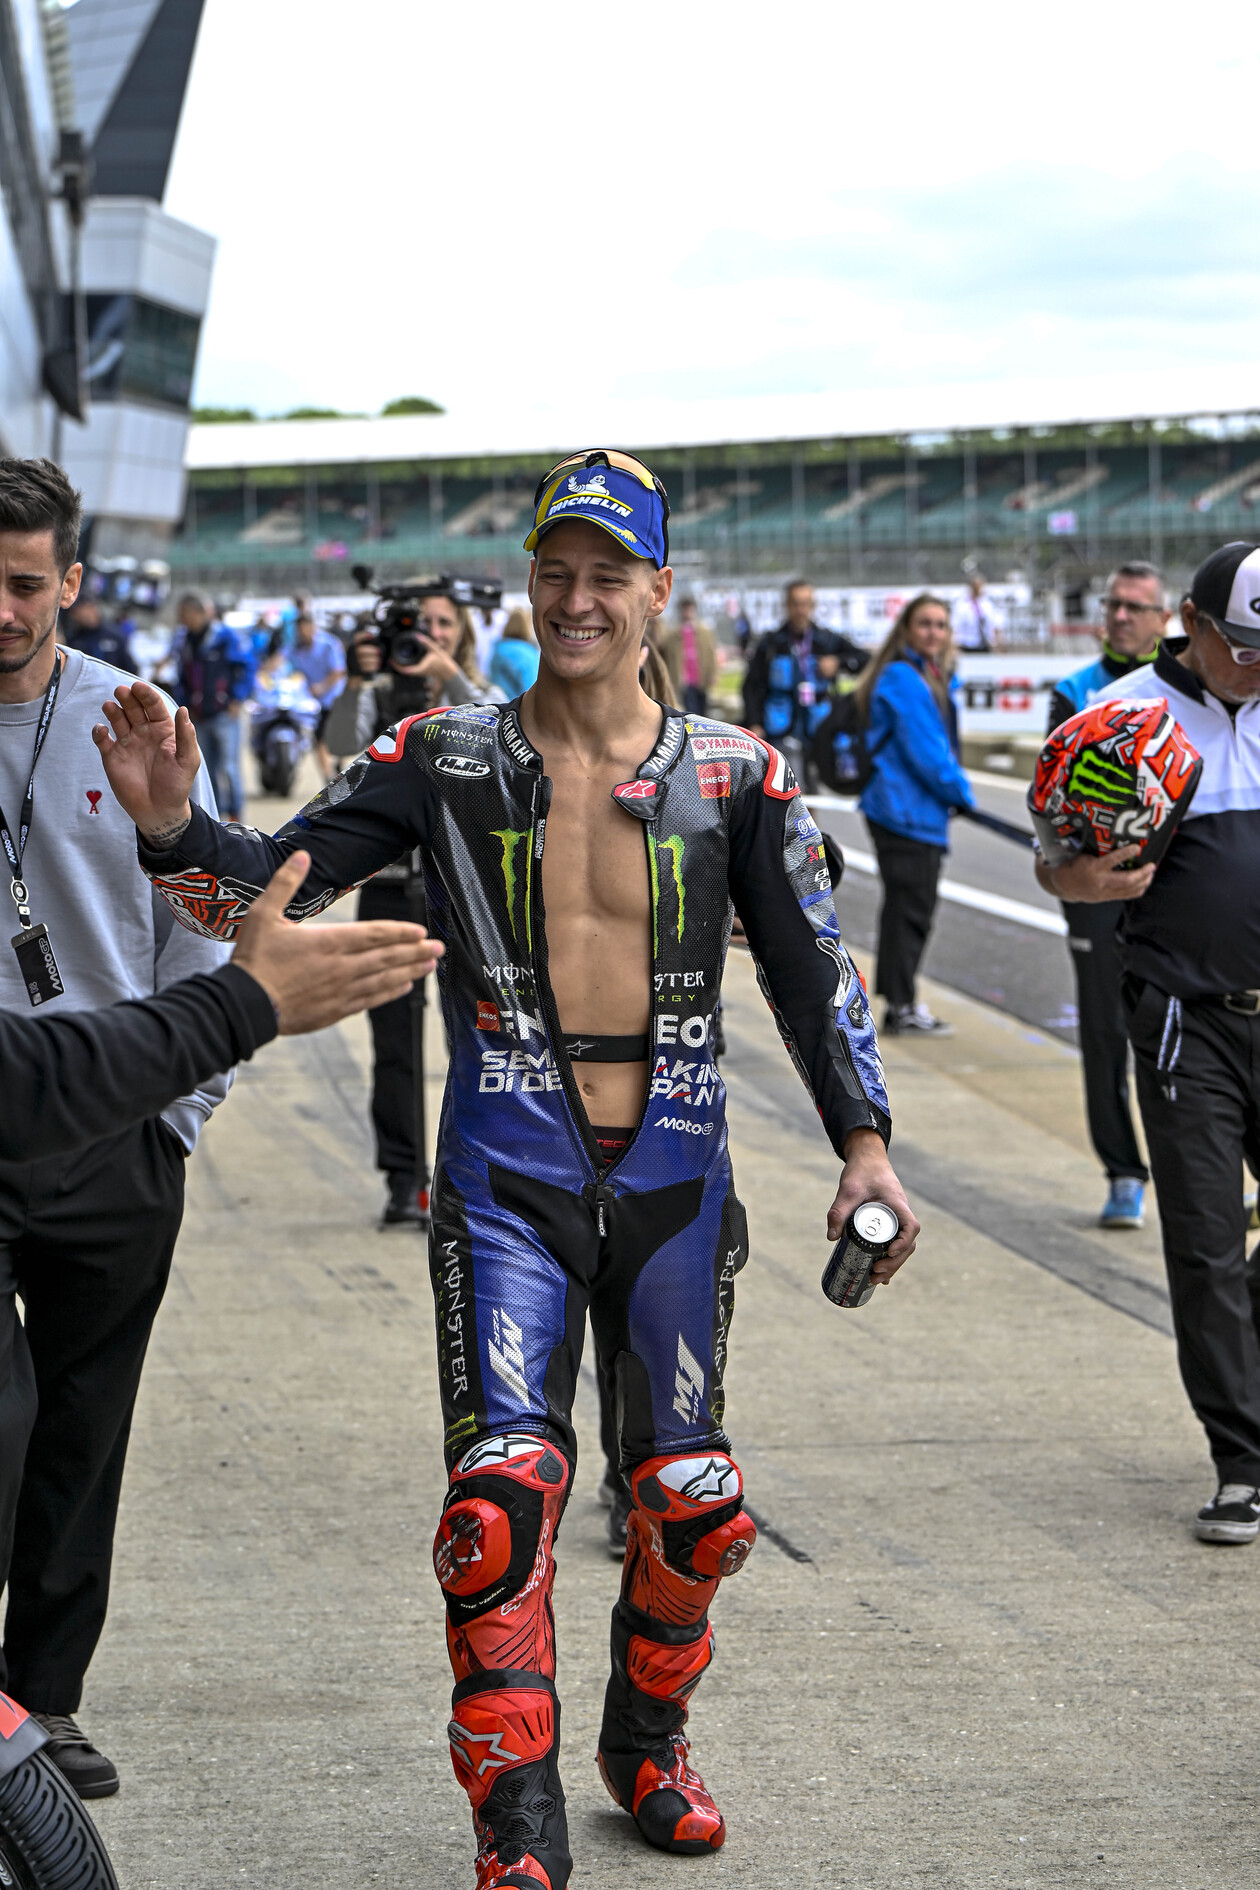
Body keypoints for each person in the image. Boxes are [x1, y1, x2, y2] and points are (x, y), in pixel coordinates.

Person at [94, 444, 918, 1889]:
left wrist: (866, 1147)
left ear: (660, 591)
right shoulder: (441, 758)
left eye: (608, 575)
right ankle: (515, 1816)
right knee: (500, 1500)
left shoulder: (739, 773)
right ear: (528, 585)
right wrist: (170, 826)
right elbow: (258, 895)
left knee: (695, 1499)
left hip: (676, 1174)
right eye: (556, 572)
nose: (578, 599)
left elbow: (810, 966)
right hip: (503, 1175)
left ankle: (646, 1741)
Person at [0, 460, 233, 1799]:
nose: (3, 608)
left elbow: (207, 925)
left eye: (25, 582)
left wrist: (177, 1118)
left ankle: (43, 1703)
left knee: (85, 1431)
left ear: (72, 582)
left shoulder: (135, 720)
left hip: (115, 1128)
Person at [1035, 541, 1260, 1547]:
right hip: (1185, 1019)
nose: (1257, 668)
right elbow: (1056, 860)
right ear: (1192, 623)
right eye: (1244, 647)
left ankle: (1246, 1372)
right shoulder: (1120, 716)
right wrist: (1079, 881)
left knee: (1231, 1271)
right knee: (1206, 1245)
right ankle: (1243, 1461)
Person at [345, 591, 504, 1229]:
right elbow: (338, 743)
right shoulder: (378, 691)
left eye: (442, 624)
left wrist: (449, 676)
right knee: (395, 1041)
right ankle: (405, 1178)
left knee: (488, 1038)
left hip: (470, 890)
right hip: (389, 884)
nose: (429, 636)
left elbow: (503, 743)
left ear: (460, 632)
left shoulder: (479, 694)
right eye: (419, 627)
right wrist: (357, 682)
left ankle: (487, 1176)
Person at [1045, 562, 1170, 1230]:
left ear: (1165, 619)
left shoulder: (1185, 686)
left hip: (1173, 889)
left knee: (1184, 1028)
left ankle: (1194, 1163)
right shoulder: (1075, 690)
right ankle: (1123, 1171)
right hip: (1094, 888)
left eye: (1134, 607)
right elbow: (1054, 795)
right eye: (1113, 605)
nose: (1120, 616)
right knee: (1103, 1030)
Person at [854, 592, 975, 1036]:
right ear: (906, 628)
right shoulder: (904, 678)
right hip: (904, 812)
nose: (933, 632)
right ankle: (901, 1006)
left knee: (903, 909)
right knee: (911, 912)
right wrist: (962, 793)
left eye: (941, 625)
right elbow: (927, 752)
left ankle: (899, 1003)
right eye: (924, 623)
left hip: (906, 809)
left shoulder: (922, 674)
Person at [742, 578, 866, 788]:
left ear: (813, 606)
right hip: (781, 732)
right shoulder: (771, 643)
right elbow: (751, 686)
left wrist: (838, 662)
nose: (801, 610)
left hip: (820, 729)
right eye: (795, 604)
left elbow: (865, 660)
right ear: (787, 605)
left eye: (805, 604)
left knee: (818, 791)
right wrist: (755, 722)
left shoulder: (827, 640)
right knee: (790, 792)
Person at [167, 590, 253, 821]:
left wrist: (237, 699)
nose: (181, 619)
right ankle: (216, 821)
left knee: (229, 769)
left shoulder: (225, 637)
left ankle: (237, 819)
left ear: (198, 612)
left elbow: (247, 667)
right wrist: (184, 706)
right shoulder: (184, 641)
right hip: (198, 717)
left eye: (184, 614)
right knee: (206, 770)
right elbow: (181, 677)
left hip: (225, 715)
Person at [289, 609, 347, 782]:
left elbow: (338, 671)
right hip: (314, 703)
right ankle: (328, 778)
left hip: (334, 699)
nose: (302, 633)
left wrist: (322, 687)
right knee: (319, 739)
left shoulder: (329, 644)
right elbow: (281, 660)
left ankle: (339, 764)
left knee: (338, 737)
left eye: (305, 628)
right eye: (299, 630)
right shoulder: (296, 648)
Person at [658, 595, 717, 715]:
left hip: (700, 674)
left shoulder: (704, 632)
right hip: (685, 677)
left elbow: (710, 653)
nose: (688, 612)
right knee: (690, 708)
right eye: (685, 609)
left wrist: (712, 673)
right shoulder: (673, 634)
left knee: (703, 706)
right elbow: (666, 656)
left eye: (690, 609)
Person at [59, 597, 135, 674]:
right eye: (80, 610)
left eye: (89, 607)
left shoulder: (114, 635)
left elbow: (130, 668)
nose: (86, 613)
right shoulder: (73, 639)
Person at [488, 606, 541, 698]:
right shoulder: (527, 654)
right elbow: (531, 686)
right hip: (518, 704)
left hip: (498, 702)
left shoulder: (498, 650)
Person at [953, 574, 998, 652]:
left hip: (984, 644)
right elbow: (955, 625)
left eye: (979, 586)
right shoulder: (961, 605)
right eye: (975, 586)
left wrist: (995, 641)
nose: (977, 589)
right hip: (966, 644)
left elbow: (993, 624)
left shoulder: (987, 604)